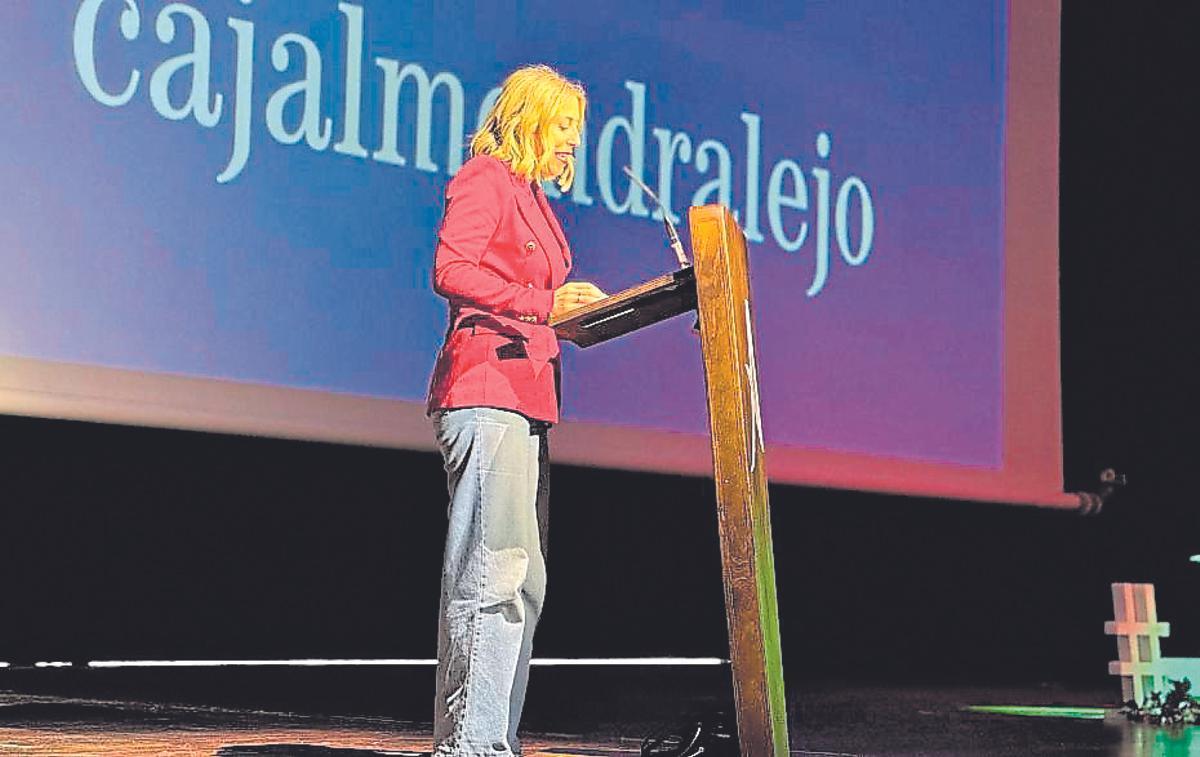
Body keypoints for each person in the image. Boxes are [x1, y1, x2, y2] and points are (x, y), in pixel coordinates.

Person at [425, 64, 606, 757]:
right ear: (529, 118)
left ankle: (489, 737)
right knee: (492, 571)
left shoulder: (530, 195)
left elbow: (537, 293)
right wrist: (540, 305)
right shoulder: (486, 179)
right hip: (486, 390)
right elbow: (452, 269)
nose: (572, 144)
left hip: (527, 400)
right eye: (564, 127)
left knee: (521, 582)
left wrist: (578, 309)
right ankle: (471, 746)